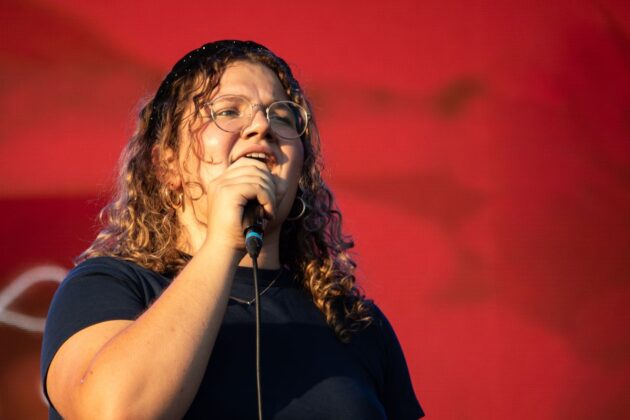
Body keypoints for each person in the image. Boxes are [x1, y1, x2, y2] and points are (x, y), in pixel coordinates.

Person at [41, 40, 424, 419]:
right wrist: (225, 243)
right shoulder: (108, 289)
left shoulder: (355, 324)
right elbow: (116, 412)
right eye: (228, 111)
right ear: (167, 165)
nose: (261, 126)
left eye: (282, 116)